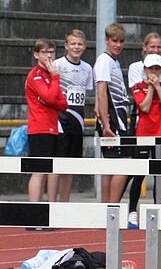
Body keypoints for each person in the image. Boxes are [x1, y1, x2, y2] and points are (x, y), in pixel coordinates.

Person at [127, 54, 161, 230]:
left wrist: (157, 88)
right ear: (145, 70)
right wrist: (151, 89)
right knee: (139, 174)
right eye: (150, 68)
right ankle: (132, 211)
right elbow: (145, 106)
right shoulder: (138, 87)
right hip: (143, 133)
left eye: (157, 69)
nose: (154, 72)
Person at [53, 29, 94, 202]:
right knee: (57, 164)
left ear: (84, 47)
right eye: (73, 44)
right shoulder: (57, 65)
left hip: (77, 120)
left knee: (70, 165)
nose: (76, 47)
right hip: (60, 120)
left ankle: (64, 203)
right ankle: (52, 203)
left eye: (79, 44)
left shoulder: (87, 68)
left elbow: (85, 94)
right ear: (66, 46)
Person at [25, 38, 67, 204]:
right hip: (39, 128)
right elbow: (50, 96)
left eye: (52, 52)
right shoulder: (36, 75)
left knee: (49, 169)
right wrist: (55, 79)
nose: (49, 55)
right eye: (45, 52)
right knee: (39, 171)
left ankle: (43, 212)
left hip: (52, 128)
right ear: (36, 54)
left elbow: (63, 103)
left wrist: (51, 101)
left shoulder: (51, 75)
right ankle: (34, 212)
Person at [94, 23, 131, 203]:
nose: (118, 45)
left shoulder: (114, 62)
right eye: (114, 41)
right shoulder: (104, 60)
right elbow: (101, 90)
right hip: (113, 122)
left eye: (121, 41)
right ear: (106, 41)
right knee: (123, 164)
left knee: (112, 166)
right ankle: (112, 207)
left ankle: (107, 209)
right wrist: (106, 124)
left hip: (120, 120)